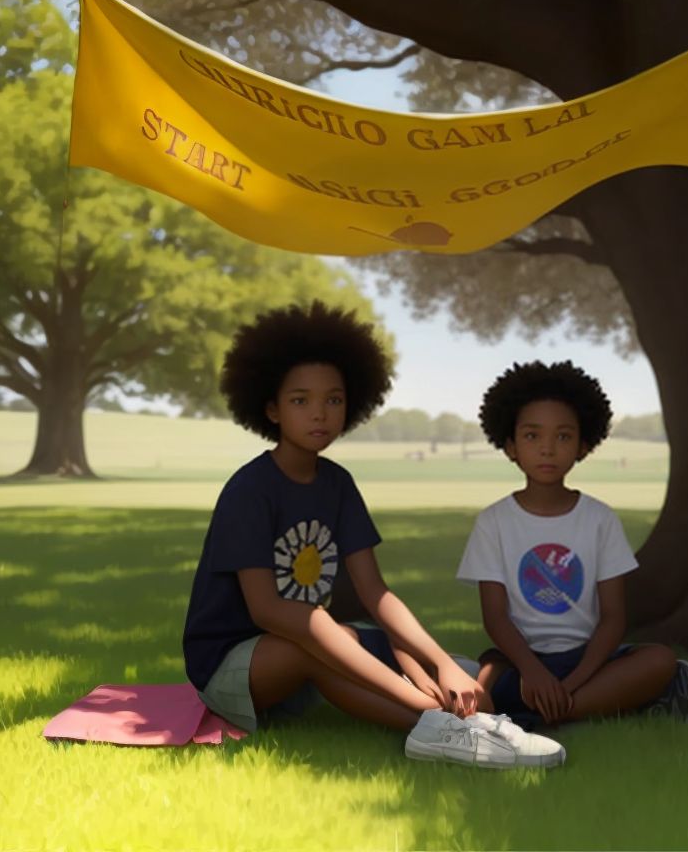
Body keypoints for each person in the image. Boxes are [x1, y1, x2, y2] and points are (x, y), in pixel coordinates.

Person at [182, 301, 566, 768]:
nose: (319, 414)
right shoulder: (250, 489)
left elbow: (375, 594)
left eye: (334, 400)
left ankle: (451, 722)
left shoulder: (337, 485)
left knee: (374, 642)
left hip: (303, 649)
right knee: (319, 629)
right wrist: (416, 696)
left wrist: (437, 662)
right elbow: (269, 610)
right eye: (301, 400)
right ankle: (437, 723)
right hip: (231, 668)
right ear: (271, 409)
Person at [457, 360, 688, 727]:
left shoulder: (600, 519)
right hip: (520, 660)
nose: (547, 449)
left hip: (588, 660)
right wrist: (535, 674)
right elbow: (495, 617)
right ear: (509, 446)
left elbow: (614, 617)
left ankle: (540, 718)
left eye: (563, 436)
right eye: (532, 436)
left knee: (659, 660)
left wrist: (573, 682)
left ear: (583, 446)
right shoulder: (494, 522)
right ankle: (593, 706)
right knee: (485, 677)